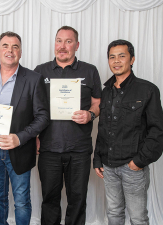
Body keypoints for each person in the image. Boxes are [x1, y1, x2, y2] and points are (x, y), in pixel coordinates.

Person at [34, 26, 102, 225]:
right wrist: (36, 138)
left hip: (79, 148)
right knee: (49, 200)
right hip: (48, 147)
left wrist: (90, 114)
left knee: (78, 199)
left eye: (68, 41)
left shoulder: (89, 70)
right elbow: (34, 108)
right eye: (59, 41)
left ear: (77, 45)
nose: (62, 46)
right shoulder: (40, 71)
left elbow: (97, 103)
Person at [0, 31, 49, 225]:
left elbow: (43, 116)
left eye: (15, 47)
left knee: (21, 201)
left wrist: (19, 137)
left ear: (20, 52)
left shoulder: (33, 78)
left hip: (20, 150)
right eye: (5, 46)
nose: (10, 51)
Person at [93, 39, 163, 225]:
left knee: (138, 218)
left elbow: (157, 131)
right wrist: (97, 158)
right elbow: (103, 128)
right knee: (114, 214)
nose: (116, 61)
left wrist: (139, 162)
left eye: (121, 56)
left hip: (133, 167)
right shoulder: (106, 91)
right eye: (112, 57)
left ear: (132, 59)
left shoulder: (147, 90)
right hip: (108, 166)